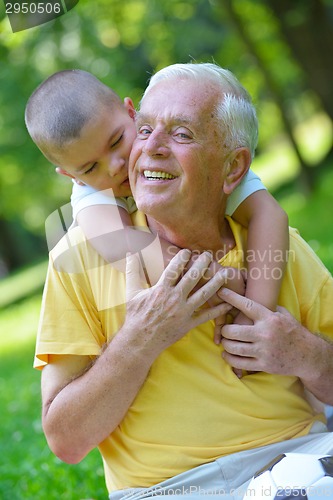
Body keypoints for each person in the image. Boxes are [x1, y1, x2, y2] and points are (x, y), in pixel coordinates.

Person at [34, 62, 333, 499]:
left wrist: (305, 354)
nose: (146, 149)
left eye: (181, 134)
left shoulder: (275, 244)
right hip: (174, 489)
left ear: (233, 167)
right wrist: (141, 337)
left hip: (298, 459)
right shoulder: (83, 253)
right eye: (148, 129)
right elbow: (66, 440)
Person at [25, 69, 289, 329]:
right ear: (72, 175)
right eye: (91, 168)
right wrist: (216, 278)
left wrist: (257, 310)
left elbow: (269, 214)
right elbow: (125, 248)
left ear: (133, 113)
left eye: (117, 141)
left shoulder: (203, 166)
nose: (115, 166)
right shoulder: (89, 197)